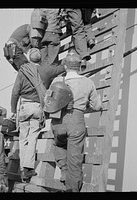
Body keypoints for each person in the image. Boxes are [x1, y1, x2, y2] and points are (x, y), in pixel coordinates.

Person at [44, 53, 102, 192]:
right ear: (79, 67)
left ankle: (64, 170)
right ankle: (72, 189)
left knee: (58, 144)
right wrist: (84, 104)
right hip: (76, 119)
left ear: (65, 66)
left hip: (58, 121)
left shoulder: (58, 80)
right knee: (75, 159)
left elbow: (50, 101)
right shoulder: (88, 82)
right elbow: (97, 106)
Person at [10, 48, 47, 181]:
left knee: (23, 138)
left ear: (29, 58)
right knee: (33, 138)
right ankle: (28, 168)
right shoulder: (44, 71)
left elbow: (15, 92)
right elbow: (59, 69)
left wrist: (13, 110)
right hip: (37, 107)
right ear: (40, 58)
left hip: (24, 107)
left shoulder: (23, 71)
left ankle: (23, 170)